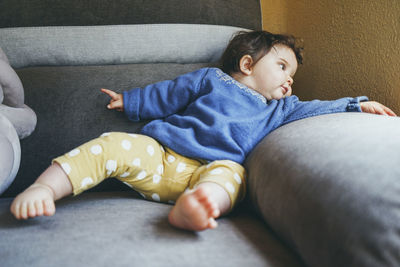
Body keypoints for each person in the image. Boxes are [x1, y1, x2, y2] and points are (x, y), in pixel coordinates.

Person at [10, 30, 396, 231]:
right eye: (282, 67)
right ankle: (46, 187)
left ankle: (196, 207)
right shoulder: (211, 80)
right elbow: (169, 94)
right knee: (112, 146)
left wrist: (353, 104)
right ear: (247, 63)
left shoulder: (280, 108)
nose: (290, 81)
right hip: (160, 157)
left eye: (293, 76)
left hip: (208, 170)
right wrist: (131, 102)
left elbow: (312, 107)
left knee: (233, 177)